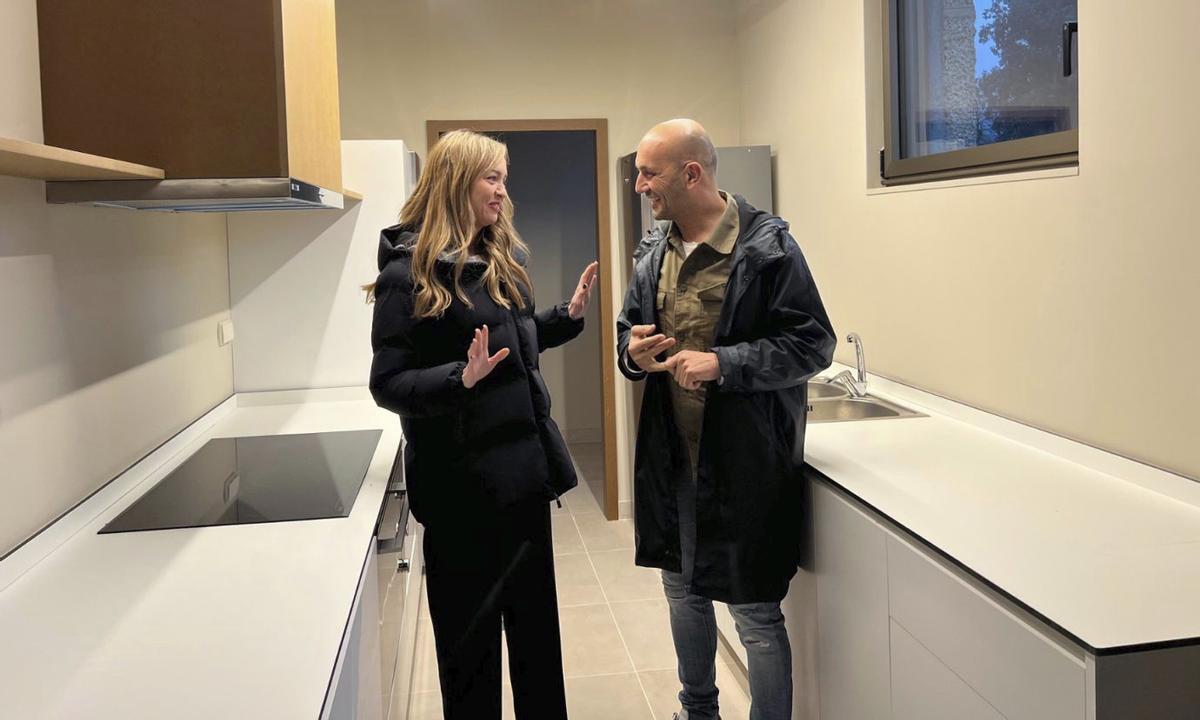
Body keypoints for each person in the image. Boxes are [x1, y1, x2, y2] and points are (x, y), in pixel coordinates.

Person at [369, 129, 598, 720]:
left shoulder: (497, 257)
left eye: (505, 177)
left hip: (523, 482)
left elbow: (509, 343)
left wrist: (563, 319)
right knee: (469, 659)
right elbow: (388, 383)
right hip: (461, 495)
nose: (503, 190)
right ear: (456, 182)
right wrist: (458, 380)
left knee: (537, 649)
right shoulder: (409, 272)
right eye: (491, 177)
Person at [616, 119, 835, 720]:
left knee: (756, 614)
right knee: (682, 593)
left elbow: (814, 344)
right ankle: (698, 711)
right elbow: (627, 332)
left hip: (745, 464)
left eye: (648, 173)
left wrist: (725, 363)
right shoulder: (652, 250)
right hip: (673, 459)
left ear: (692, 173)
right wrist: (630, 354)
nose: (639, 185)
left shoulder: (768, 248)